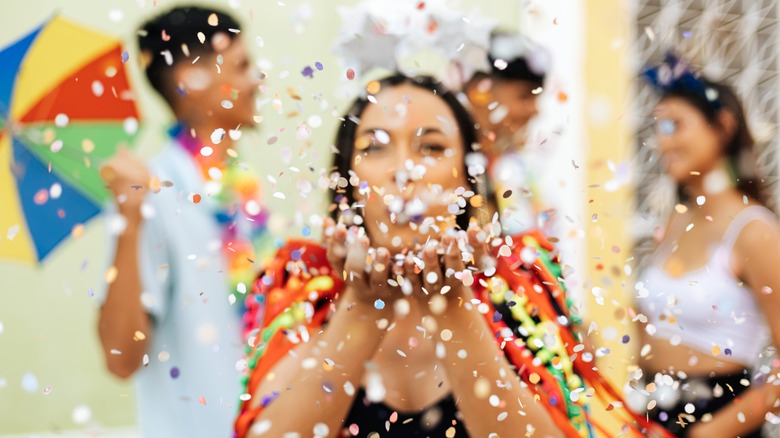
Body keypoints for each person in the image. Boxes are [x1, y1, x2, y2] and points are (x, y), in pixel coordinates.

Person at [234, 74, 656, 438]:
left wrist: (452, 305)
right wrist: (362, 306)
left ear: (467, 183)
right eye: (376, 147)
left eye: (431, 148)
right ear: (347, 181)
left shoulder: (519, 282)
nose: (404, 170)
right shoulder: (304, 283)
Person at [97, 6, 269, 437]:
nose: (257, 80)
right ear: (190, 81)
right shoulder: (150, 194)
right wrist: (130, 223)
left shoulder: (242, 190)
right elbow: (121, 359)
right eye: (243, 66)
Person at [628, 53, 780, 437]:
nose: (663, 141)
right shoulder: (677, 219)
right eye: (659, 127)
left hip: (720, 421)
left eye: (675, 125)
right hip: (653, 416)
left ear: (723, 127)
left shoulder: (754, 231)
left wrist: (709, 432)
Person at [462, 32, 556, 237]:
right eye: (524, 96)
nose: (535, 111)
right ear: (480, 91)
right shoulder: (453, 170)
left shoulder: (516, 167)